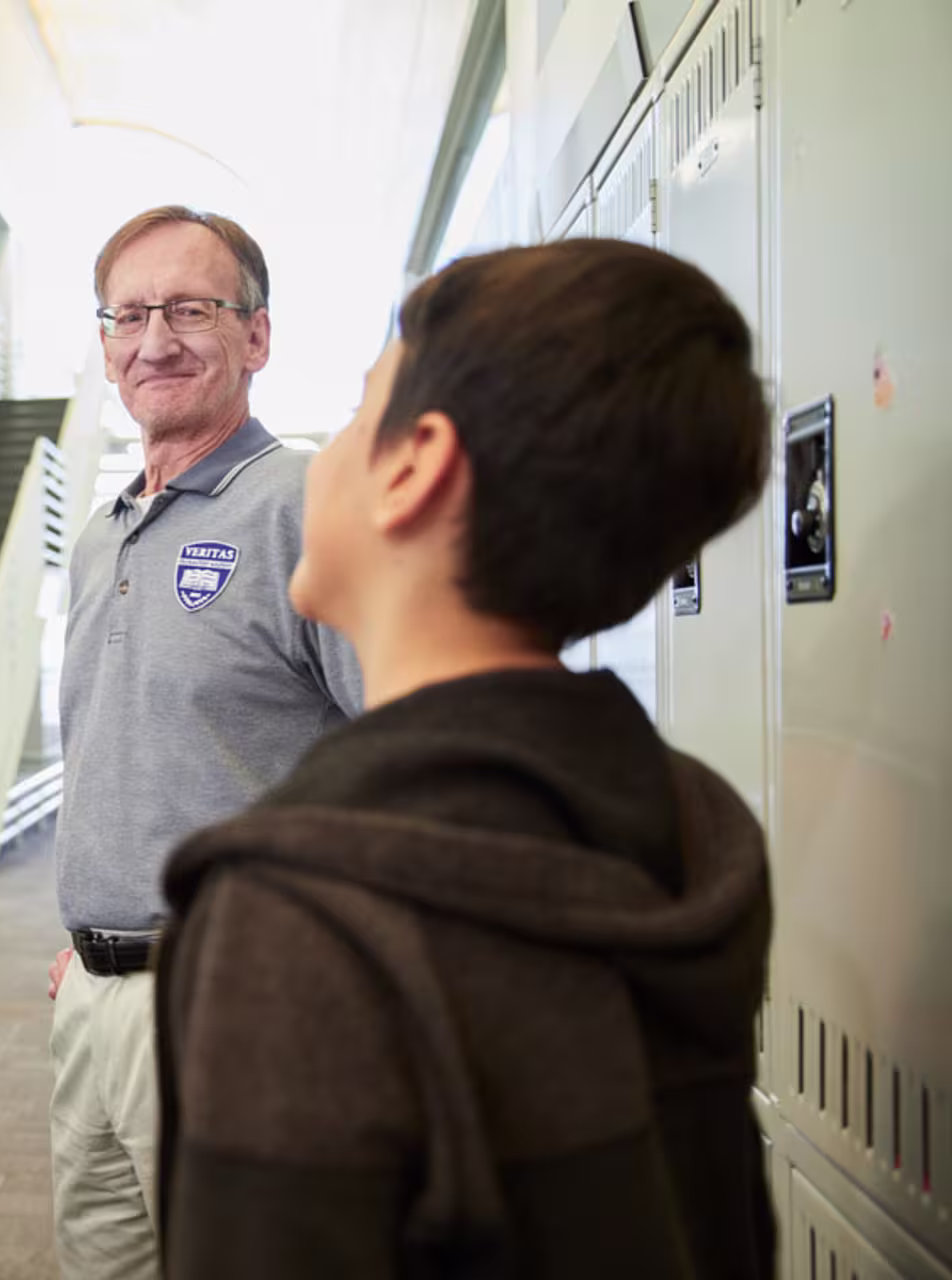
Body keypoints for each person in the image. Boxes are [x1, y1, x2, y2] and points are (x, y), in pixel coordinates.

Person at [156, 239, 777, 1278]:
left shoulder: (300, 905)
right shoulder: (691, 816)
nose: (333, 447)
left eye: (359, 414)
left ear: (414, 467)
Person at [47, 206, 363, 1279]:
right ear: (103, 345)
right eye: (129, 314)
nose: (155, 339)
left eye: (190, 308)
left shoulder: (313, 505)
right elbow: (113, 748)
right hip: (95, 1002)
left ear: (258, 336)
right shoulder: (101, 536)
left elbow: (407, 761)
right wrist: (99, 932)